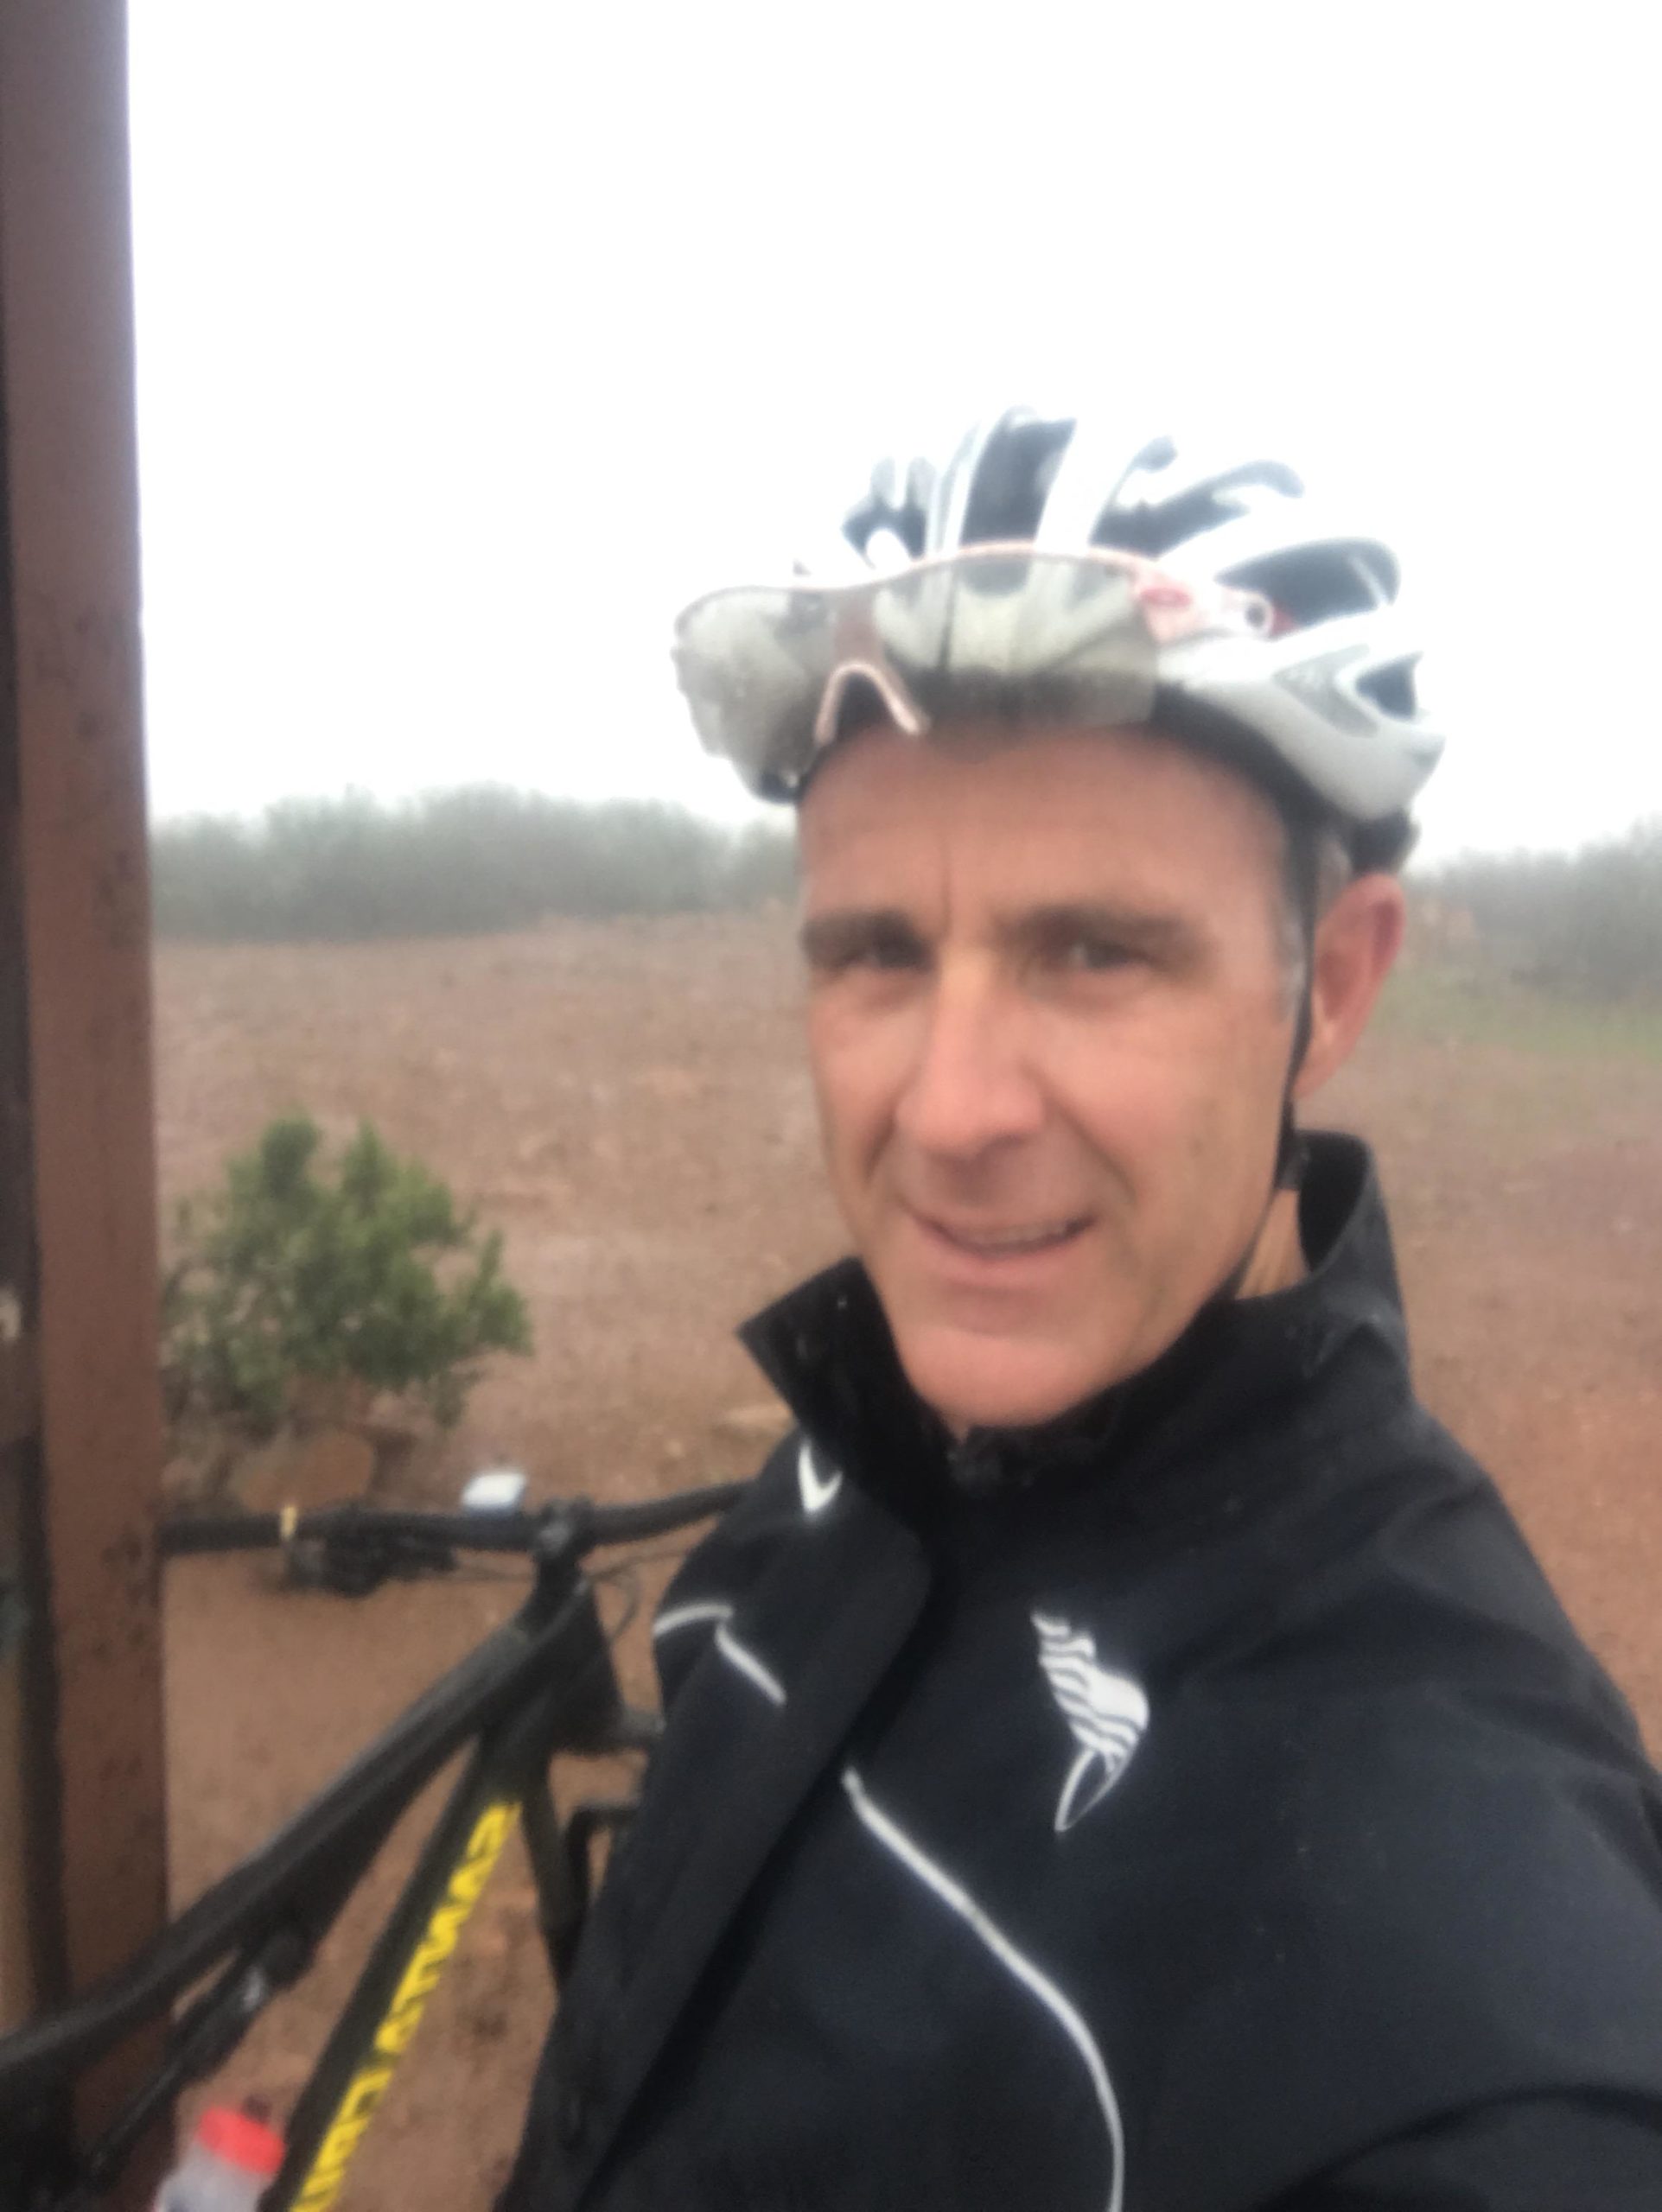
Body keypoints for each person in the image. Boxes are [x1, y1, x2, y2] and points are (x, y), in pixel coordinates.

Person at [500, 411, 1662, 2210]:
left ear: (1329, 983)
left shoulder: (1469, 1971)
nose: (950, 1111)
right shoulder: (858, 1456)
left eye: (1094, 952)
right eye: (875, 951)